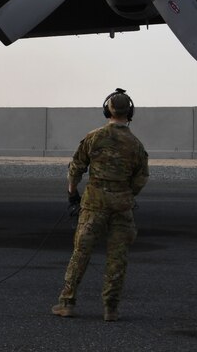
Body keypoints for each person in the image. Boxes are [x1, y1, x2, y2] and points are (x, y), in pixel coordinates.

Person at [52, 88, 149, 322]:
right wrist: (125, 193)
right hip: (122, 204)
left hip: (94, 203)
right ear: (130, 112)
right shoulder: (135, 144)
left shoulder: (94, 137)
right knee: (117, 257)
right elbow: (140, 179)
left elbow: (76, 168)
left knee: (81, 253)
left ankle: (67, 302)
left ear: (107, 110)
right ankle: (111, 309)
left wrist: (72, 194)